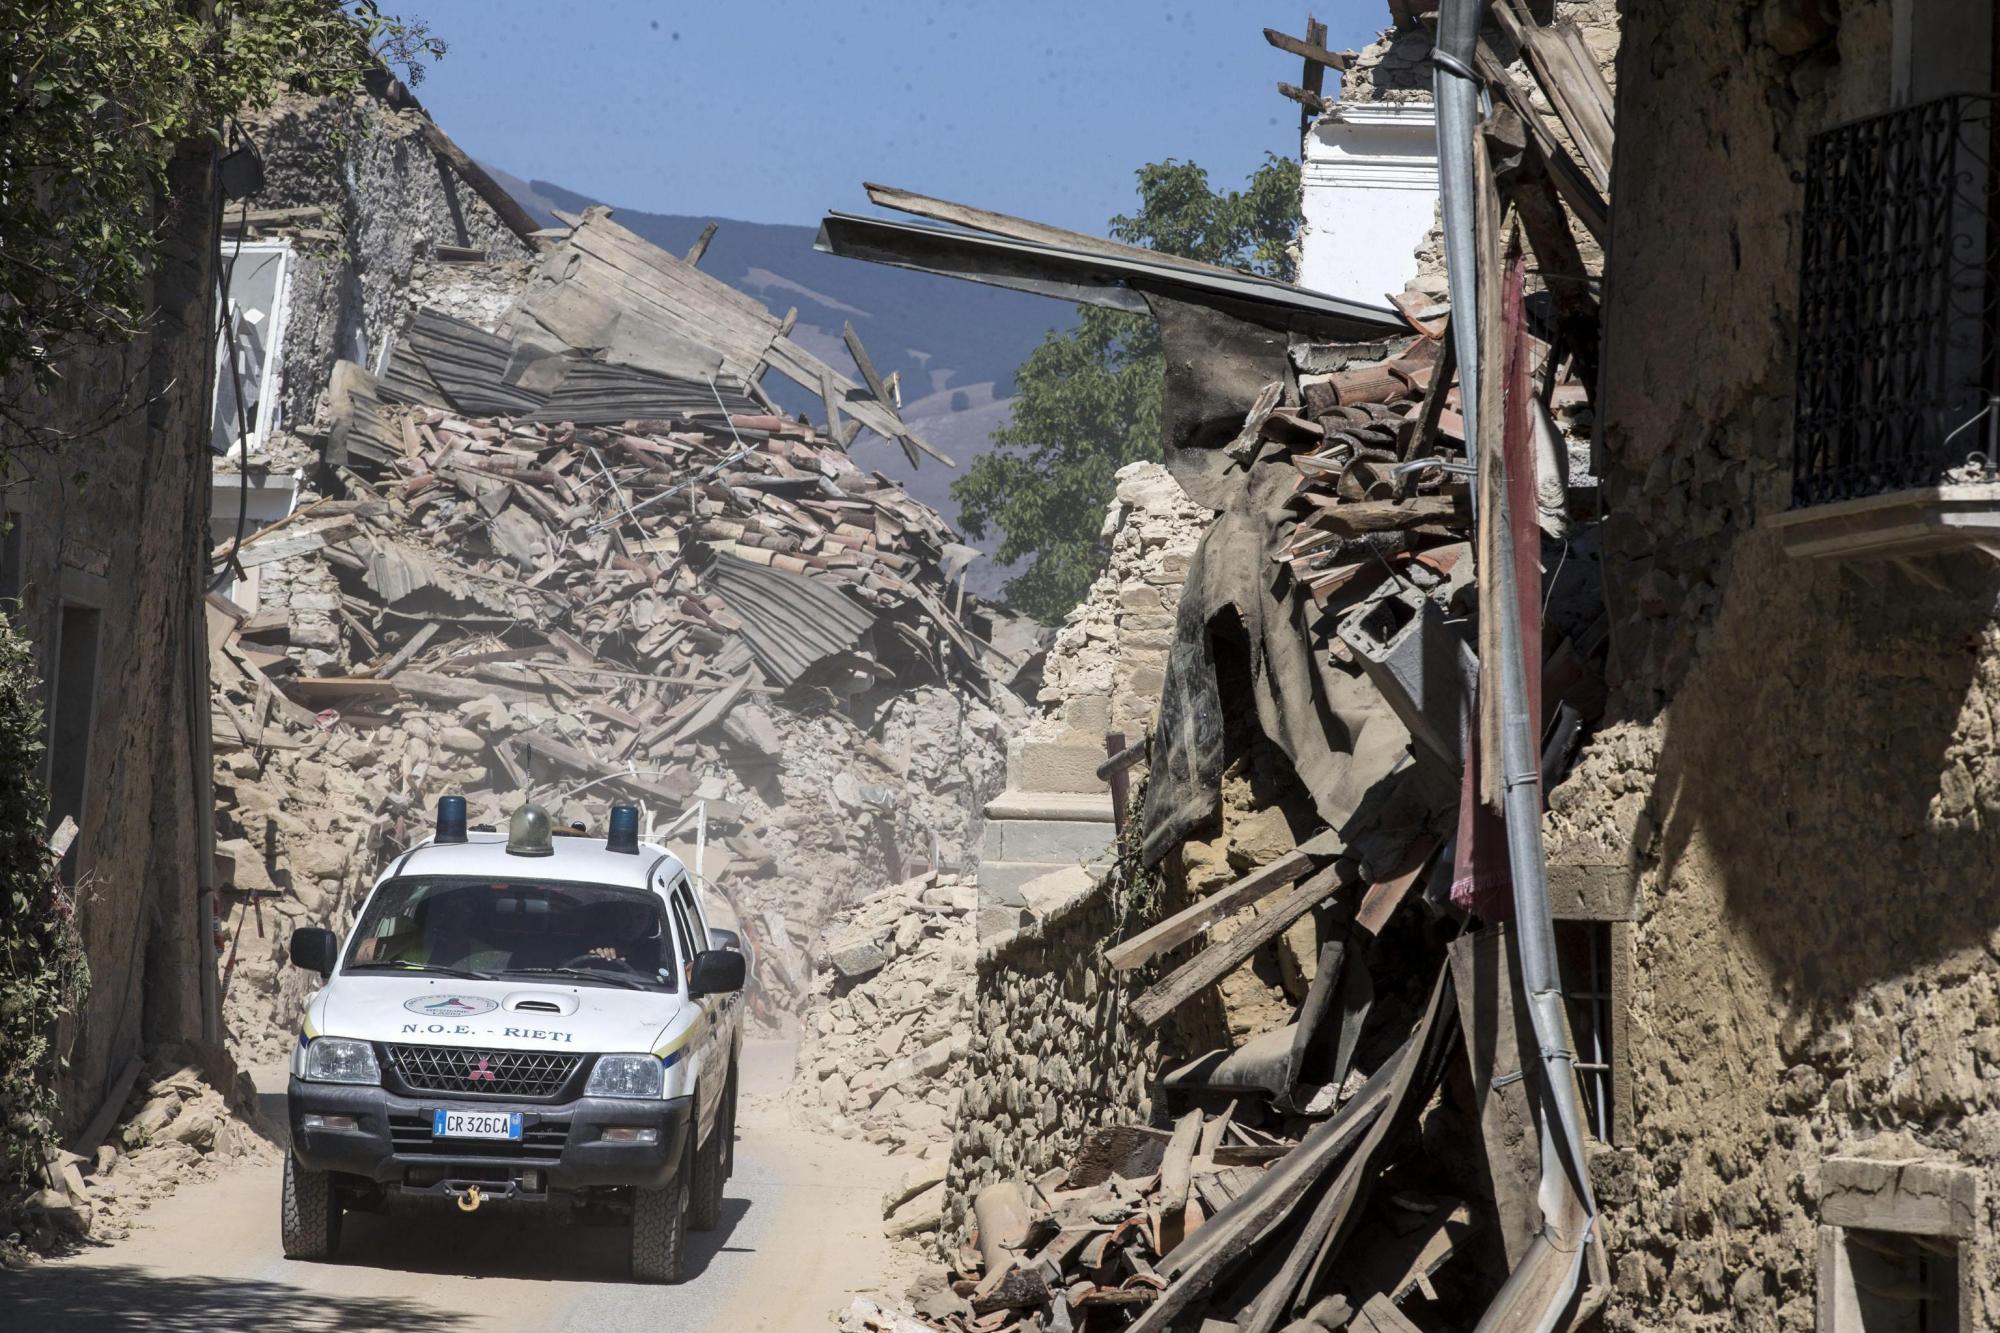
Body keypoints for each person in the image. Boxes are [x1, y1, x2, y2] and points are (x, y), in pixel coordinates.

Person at [355, 890, 504, 970]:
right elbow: (357, 956)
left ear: (474, 916)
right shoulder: (411, 943)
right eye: (450, 906)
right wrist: (420, 935)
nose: (456, 913)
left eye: (465, 906)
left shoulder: (488, 954)